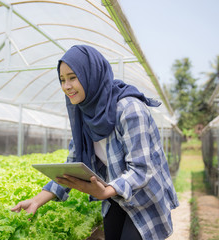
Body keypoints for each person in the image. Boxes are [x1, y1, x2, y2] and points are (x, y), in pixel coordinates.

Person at [11, 45, 179, 239]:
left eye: (73, 77)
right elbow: (73, 164)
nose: (66, 86)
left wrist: (105, 191)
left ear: (91, 74)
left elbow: (142, 170)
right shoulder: (83, 112)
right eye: (62, 80)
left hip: (144, 198)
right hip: (115, 197)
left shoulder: (129, 109)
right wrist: (36, 201)